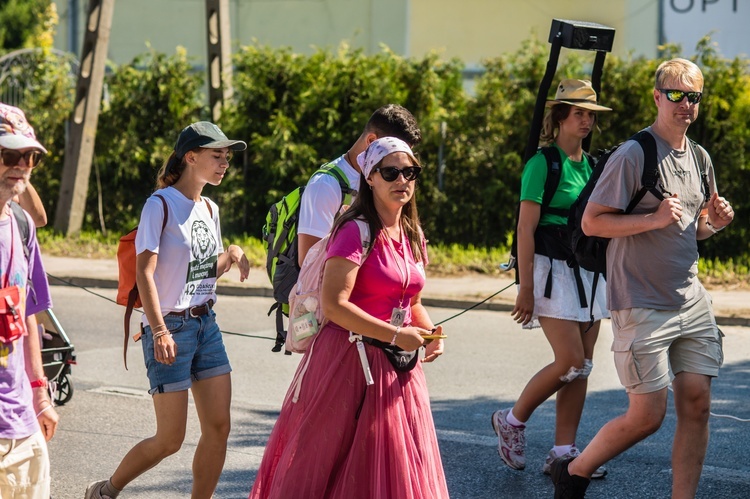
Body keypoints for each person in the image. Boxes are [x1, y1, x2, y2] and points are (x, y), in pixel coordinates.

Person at [551, 58, 734, 498]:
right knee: (647, 416)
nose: (685, 105)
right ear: (657, 96)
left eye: (693, 96)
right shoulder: (635, 153)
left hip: (689, 298)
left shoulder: (700, 157)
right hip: (639, 301)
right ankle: (574, 472)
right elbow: (594, 223)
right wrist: (651, 220)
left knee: (698, 404)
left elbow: (690, 230)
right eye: (675, 94)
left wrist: (715, 224)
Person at [250, 137, 448, 499]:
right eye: (391, 172)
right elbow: (336, 304)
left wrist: (427, 327)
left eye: (410, 172)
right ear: (369, 177)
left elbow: (410, 297)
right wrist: (394, 334)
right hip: (347, 362)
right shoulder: (354, 229)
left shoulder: (412, 234)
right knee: (329, 464)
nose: (402, 179)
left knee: (394, 469)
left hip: (396, 367)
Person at [85, 121, 250, 499]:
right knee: (170, 439)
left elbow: (203, 271)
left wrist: (233, 255)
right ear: (191, 157)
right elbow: (145, 272)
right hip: (170, 327)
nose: (224, 163)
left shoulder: (210, 207)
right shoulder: (159, 205)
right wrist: (158, 330)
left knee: (218, 427)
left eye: (227, 157)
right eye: (216, 156)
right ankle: (107, 490)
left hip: (206, 323)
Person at [492, 80, 611, 478]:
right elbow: (525, 229)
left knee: (584, 365)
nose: (587, 121)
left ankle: (563, 451)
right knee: (570, 360)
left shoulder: (593, 166)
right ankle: (512, 420)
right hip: (549, 272)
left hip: (587, 273)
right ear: (559, 117)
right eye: (579, 113)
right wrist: (525, 287)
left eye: (591, 114)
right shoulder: (541, 164)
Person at [0, 103, 59, 498]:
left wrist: (40, 392)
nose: (22, 165)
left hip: (22, 425)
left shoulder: (21, 226)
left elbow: (28, 313)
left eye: (31, 157)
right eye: (9, 155)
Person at [297, 104, 421, 265]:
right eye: (394, 151)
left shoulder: (395, 184)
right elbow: (308, 262)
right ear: (371, 141)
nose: (401, 177)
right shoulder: (325, 184)